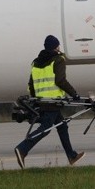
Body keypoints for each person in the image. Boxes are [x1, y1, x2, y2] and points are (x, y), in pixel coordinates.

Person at [14, 35, 85, 168]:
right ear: (55, 47)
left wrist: (36, 100)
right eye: (58, 45)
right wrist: (74, 94)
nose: (59, 48)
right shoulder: (58, 60)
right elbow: (60, 81)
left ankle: (72, 156)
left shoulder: (36, 62)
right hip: (53, 101)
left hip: (43, 101)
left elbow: (31, 84)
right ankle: (22, 149)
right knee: (45, 129)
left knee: (62, 126)